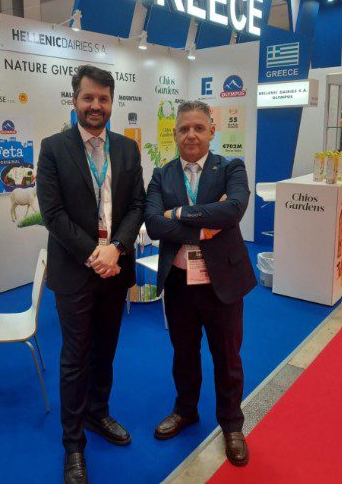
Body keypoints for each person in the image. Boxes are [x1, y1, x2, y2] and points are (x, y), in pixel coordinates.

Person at [36, 64, 145, 484]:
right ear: (75, 100)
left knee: (105, 350)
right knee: (75, 357)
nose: (95, 105)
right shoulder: (53, 148)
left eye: (103, 98)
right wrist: (94, 253)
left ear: (112, 102)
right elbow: (53, 214)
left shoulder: (127, 149)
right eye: (88, 97)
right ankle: (73, 444)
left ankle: (98, 414)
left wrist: (116, 247)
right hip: (75, 271)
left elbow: (136, 205)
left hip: (115, 268)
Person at [144, 100, 256, 467]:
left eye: (198, 128)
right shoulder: (162, 175)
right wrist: (205, 225)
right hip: (179, 282)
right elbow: (153, 224)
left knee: (227, 356)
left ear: (211, 131)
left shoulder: (231, 168)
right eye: (183, 129)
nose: (190, 135)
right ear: (175, 134)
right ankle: (186, 410)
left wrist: (177, 213)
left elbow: (233, 209)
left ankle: (232, 424)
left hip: (222, 280)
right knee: (184, 353)